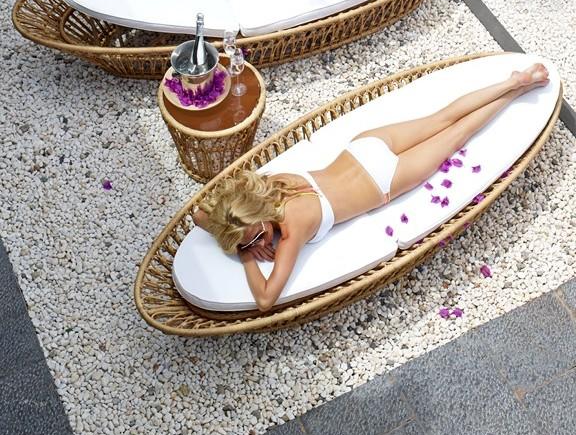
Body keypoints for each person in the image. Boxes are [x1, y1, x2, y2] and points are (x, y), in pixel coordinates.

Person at [193, 64, 549, 311]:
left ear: (255, 216)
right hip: (363, 148)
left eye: (256, 237)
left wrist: (245, 256)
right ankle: (512, 81)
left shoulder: (291, 232)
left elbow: (265, 299)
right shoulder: (272, 185)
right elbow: (202, 215)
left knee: (458, 133)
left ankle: (515, 93)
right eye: (251, 244)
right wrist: (239, 233)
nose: (259, 244)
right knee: (441, 118)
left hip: (385, 179)